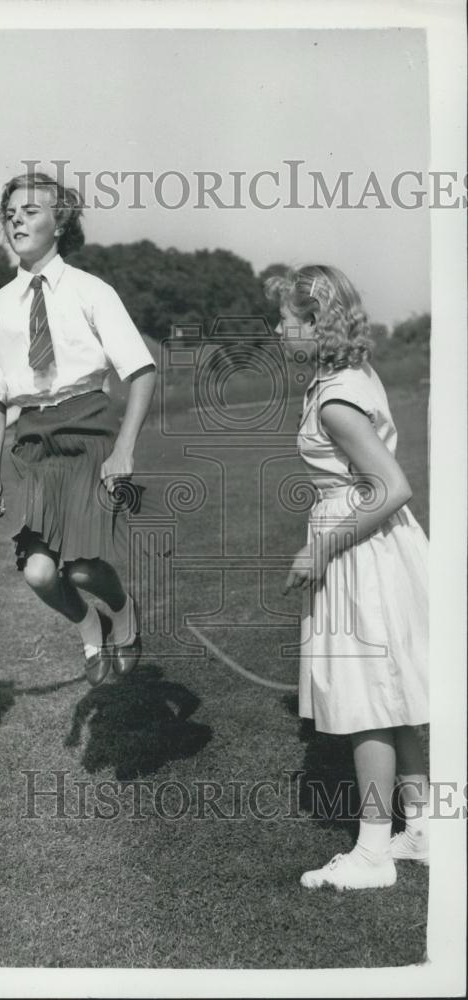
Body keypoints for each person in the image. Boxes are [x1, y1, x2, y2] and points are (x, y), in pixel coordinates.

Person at [268, 265, 429, 890]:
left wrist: (321, 549)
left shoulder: (337, 398)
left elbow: (391, 487)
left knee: (366, 698)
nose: (280, 332)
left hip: (359, 547)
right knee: (388, 691)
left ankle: (372, 852)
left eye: (287, 322)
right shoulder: (342, 379)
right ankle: (422, 824)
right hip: (370, 543)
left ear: (316, 323)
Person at [0, 171, 156, 687]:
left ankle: (122, 613)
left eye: (30, 210)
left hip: (90, 431)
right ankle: (88, 622)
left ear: (60, 222)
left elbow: (141, 371)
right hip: (33, 439)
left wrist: (123, 449)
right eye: (10, 213)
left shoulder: (90, 291)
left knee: (80, 568)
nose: (17, 219)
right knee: (38, 573)